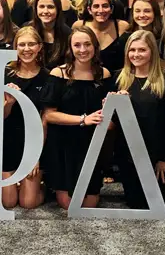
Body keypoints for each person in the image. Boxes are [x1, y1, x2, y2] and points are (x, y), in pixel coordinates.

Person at [41, 26, 114, 209]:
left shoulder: (104, 75)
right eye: (77, 45)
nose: (83, 50)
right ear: (70, 48)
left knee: (89, 206)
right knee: (70, 205)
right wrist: (83, 120)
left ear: (95, 46)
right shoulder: (58, 74)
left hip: (91, 144)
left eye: (87, 44)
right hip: (64, 144)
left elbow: (109, 118)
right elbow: (49, 115)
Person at [0, 27, 47, 209]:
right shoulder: (4, 74)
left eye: (31, 44)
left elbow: (44, 120)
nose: (26, 49)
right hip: (7, 141)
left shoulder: (48, 77)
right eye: (21, 45)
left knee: (28, 203)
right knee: (8, 202)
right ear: (15, 48)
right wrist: (9, 103)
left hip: (33, 142)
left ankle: (46, 186)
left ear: (39, 47)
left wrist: (36, 156)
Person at [114, 30, 165, 213]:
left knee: (163, 207)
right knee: (136, 205)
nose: (136, 54)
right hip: (129, 153)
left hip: (157, 153)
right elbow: (112, 121)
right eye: (132, 50)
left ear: (151, 50)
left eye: (142, 50)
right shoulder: (119, 78)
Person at [73, 0, 130, 73]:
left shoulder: (122, 26)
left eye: (105, 6)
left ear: (111, 9)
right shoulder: (79, 26)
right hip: (88, 76)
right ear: (89, 10)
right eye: (96, 6)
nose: (101, 10)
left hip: (117, 78)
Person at [29, 0, 72, 70]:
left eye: (50, 7)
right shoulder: (27, 30)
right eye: (41, 7)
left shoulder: (68, 34)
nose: (45, 11)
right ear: (36, 9)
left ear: (58, 9)